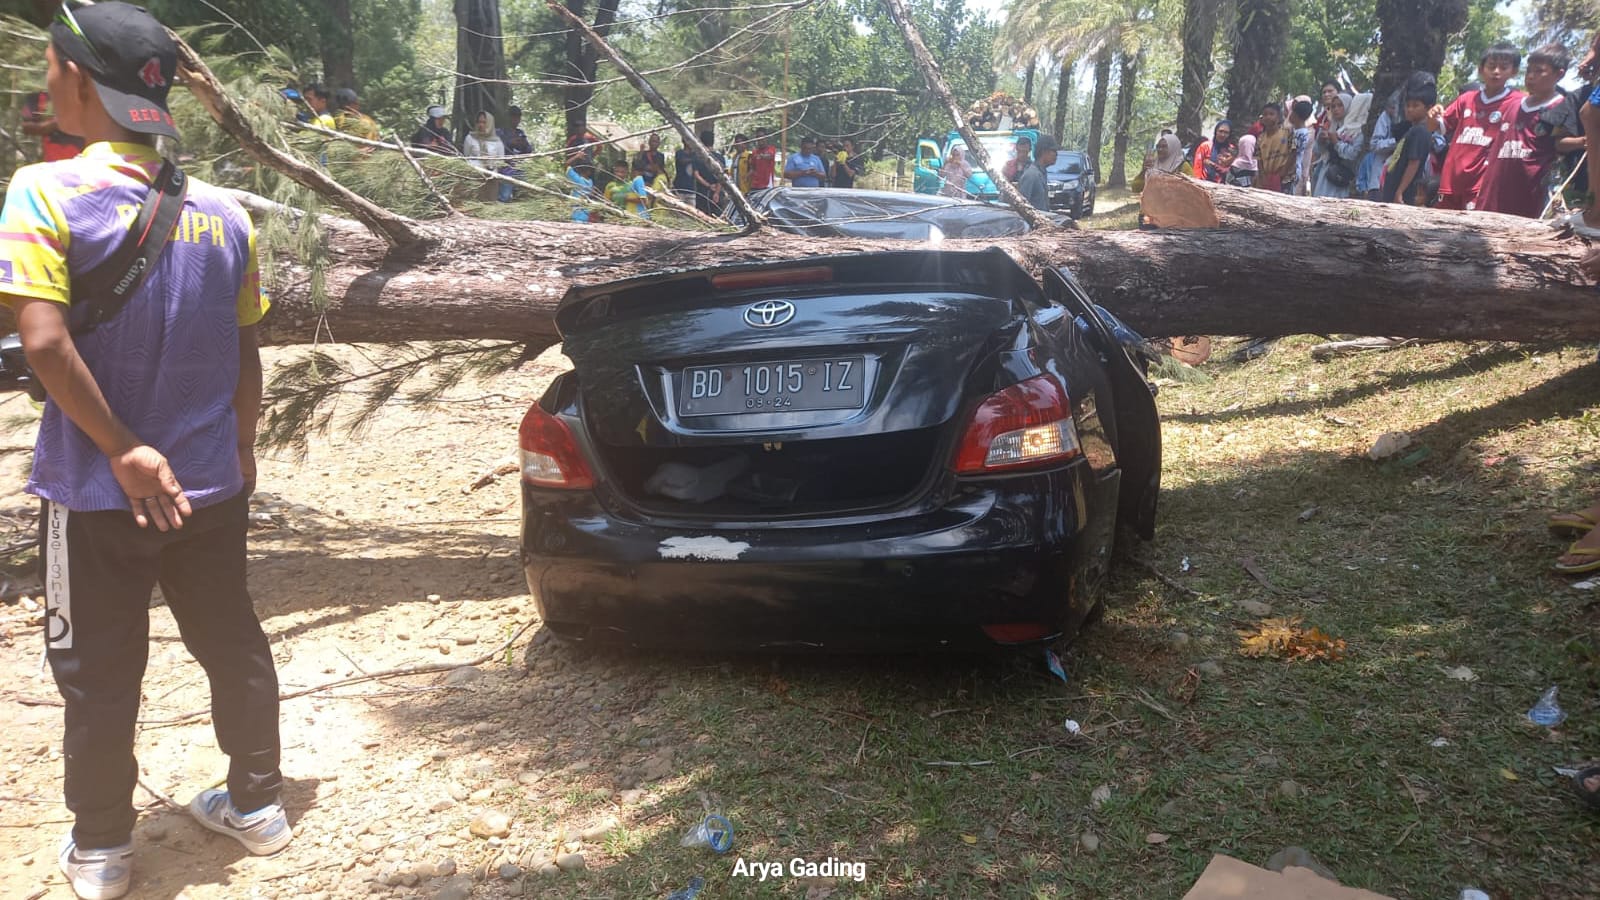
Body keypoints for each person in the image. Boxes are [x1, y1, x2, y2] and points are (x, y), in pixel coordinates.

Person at [0, 6, 289, 898]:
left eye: (50, 67)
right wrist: (238, 452)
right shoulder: (226, 213)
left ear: (81, 80)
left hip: (96, 489)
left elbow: (45, 343)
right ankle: (258, 804)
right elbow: (247, 352)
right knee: (231, 637)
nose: (45, 83)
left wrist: (125, 450)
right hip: (210, 483)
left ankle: (101, 849)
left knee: (93, 666)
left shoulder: (41, 192)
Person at [1478, 44, 1583, 218]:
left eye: (1539, 71)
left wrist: (1586, 141)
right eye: (1529, 70)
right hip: (1492, 196)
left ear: (1559, 74)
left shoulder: (1562, 108)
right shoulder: (1512, 105)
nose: (1531, 76)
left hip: (1529, 198)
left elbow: (1562, 145)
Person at [1429, 42, 1526, 211]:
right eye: (1491, 66)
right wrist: (1432, 115)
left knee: (1471, 231)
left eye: (1503, 67)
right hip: (1452, 181)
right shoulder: (1467, 99)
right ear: (1481, 69)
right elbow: (1435, 126)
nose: (1496, 72)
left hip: (1481, 183)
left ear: (1514, 71)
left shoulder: (1518, 102)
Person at [1381, 76, 1438, 207]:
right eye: (1407, 105)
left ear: (1429, 108)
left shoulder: (1420, 132)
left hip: (1405, 194)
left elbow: (1414, 163)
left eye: (1415, 106)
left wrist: (1400, 191)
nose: (1410, 109)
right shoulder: (1412, 130)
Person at [1312, 92, 1369, 199]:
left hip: (1343, 176)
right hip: (1327, 175)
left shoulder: (1354, 130)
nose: (1336, 109)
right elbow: (1317, 151)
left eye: (1340, 105)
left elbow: (1353, 154)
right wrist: (1321, 140)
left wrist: (1336, 142)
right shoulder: (1328, 125)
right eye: (1333, 106)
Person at [1360, 90, 1401, 200]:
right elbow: (1375, 144)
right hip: (1378, 182)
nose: (1392, 110)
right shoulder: (1385, 117)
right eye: (1391, 108)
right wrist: (1396, 142)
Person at [21, 90, 84, 162]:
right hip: (54, 160)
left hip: (85, 158)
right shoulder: (37, 96)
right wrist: (59, 122)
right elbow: (26, 127)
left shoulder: (87, 91)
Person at [463, 111, 509, 202]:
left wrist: (490, 168)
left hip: (491, 178)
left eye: (484, 122)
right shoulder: (470, 138)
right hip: (473, 176)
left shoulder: (497, 142)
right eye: (479, 122)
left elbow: (501, 161)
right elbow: (466, 156)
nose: (481, 125)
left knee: (489, 205)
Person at [1254, 102, 1294, 192]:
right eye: (1265, 114)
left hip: (1284, 178)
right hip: (1267, 178)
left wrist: (1283, 171)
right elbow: (1258, 158)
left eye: (1271, 114)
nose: (1268, 117)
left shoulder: (1287, 133)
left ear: (1279, 117)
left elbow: (1293, 152)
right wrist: (1262, 175)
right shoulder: (1260, 138)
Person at [1017, 134, 1058, 211]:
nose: (1056, 155)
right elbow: (1021, 206)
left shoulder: (1042, 173)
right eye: (1054, 151)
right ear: (1044, 152)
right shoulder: (1031, 175)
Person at [1288, 97, 1315, 195]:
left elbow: (1293, 152)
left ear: (1295, 115)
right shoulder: (1302, 132)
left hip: (1292, 169)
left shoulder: (1299, 134)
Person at [567, 151, 600, 222]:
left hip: (575, 212)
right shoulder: (590, 181)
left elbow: (567, 165)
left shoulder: (576, 179)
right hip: (585, 212)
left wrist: (576, 156)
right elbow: (591, 194)